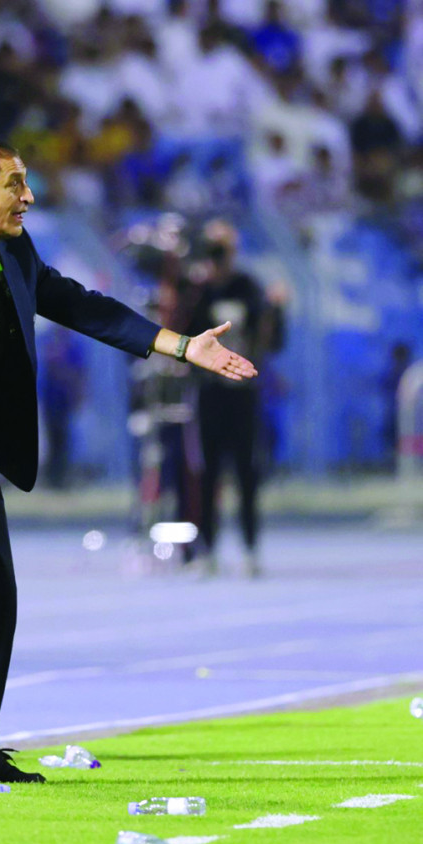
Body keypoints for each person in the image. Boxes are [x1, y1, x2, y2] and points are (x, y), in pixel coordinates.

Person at [0, 142, 257, 784]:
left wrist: (180, 346)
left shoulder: (13, 251)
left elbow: (80, 304)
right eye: (15, 184)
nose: (28, 197)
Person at [186, 219, 285, 578]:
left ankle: (250, 548)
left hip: (242, 395)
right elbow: (183, 338)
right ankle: (207, 549)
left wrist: (276, 311)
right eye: (211, 250)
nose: (216, 258)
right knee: (207, 474)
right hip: (210, 394)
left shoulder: (248, 288)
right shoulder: (198, 292)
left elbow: (272, 341)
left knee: (247, 473)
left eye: (221, 250)